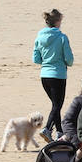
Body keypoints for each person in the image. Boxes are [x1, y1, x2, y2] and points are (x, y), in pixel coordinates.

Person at [33, 9, 74, 140]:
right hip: (58, 75)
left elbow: (36, 59)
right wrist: (65, 61)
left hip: (44, 75)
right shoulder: (62, 37)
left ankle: (60, 132)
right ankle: (48, 129)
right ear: (57, 21)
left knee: (55, 106)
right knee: (57, 105)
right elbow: (69, 59)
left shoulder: (39, 37)